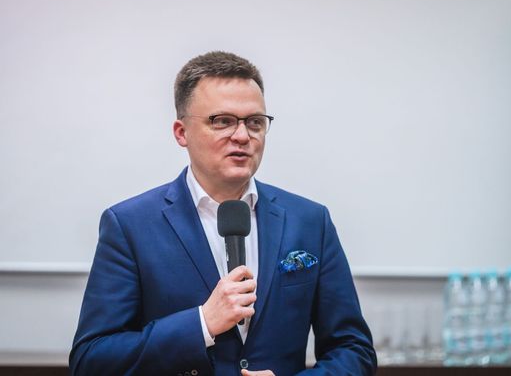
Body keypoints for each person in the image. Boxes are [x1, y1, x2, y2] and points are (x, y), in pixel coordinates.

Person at [70, 51, 377, 375]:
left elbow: (353, 350)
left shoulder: (310, 221)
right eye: (222, 121)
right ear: (181, 132)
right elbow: (91, 361)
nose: (242, 136)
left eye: (255, 122)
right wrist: (202, 323)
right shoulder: (130, 225)